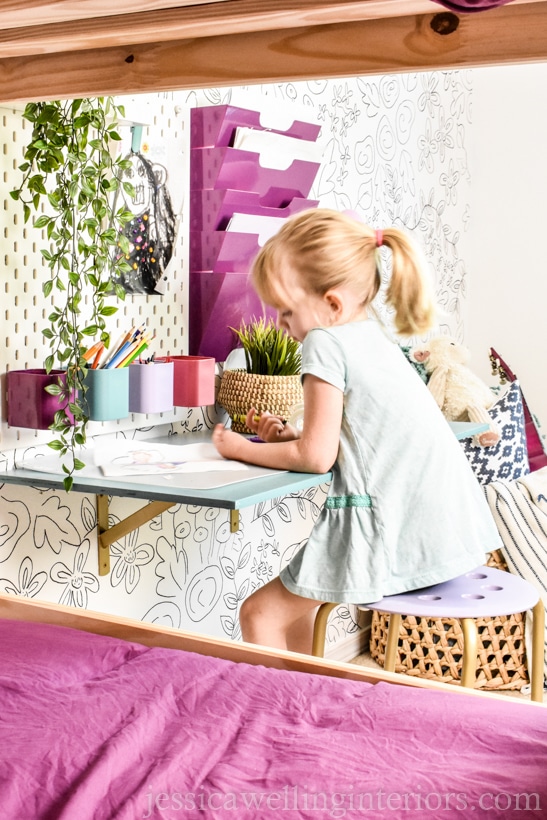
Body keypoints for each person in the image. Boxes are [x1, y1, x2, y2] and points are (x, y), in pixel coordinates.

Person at [212, 208, 502, 654]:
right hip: (445, 525)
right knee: (300, 602)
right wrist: (288, 438)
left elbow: (316, 458)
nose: (281, 324)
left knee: (258, 614)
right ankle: (304, 704)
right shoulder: (372, 337)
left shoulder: (323, 341)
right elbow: (350, 438)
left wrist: (236, 448)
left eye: (286, 310)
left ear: (331, 304)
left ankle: (270, 717)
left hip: (393, 527)